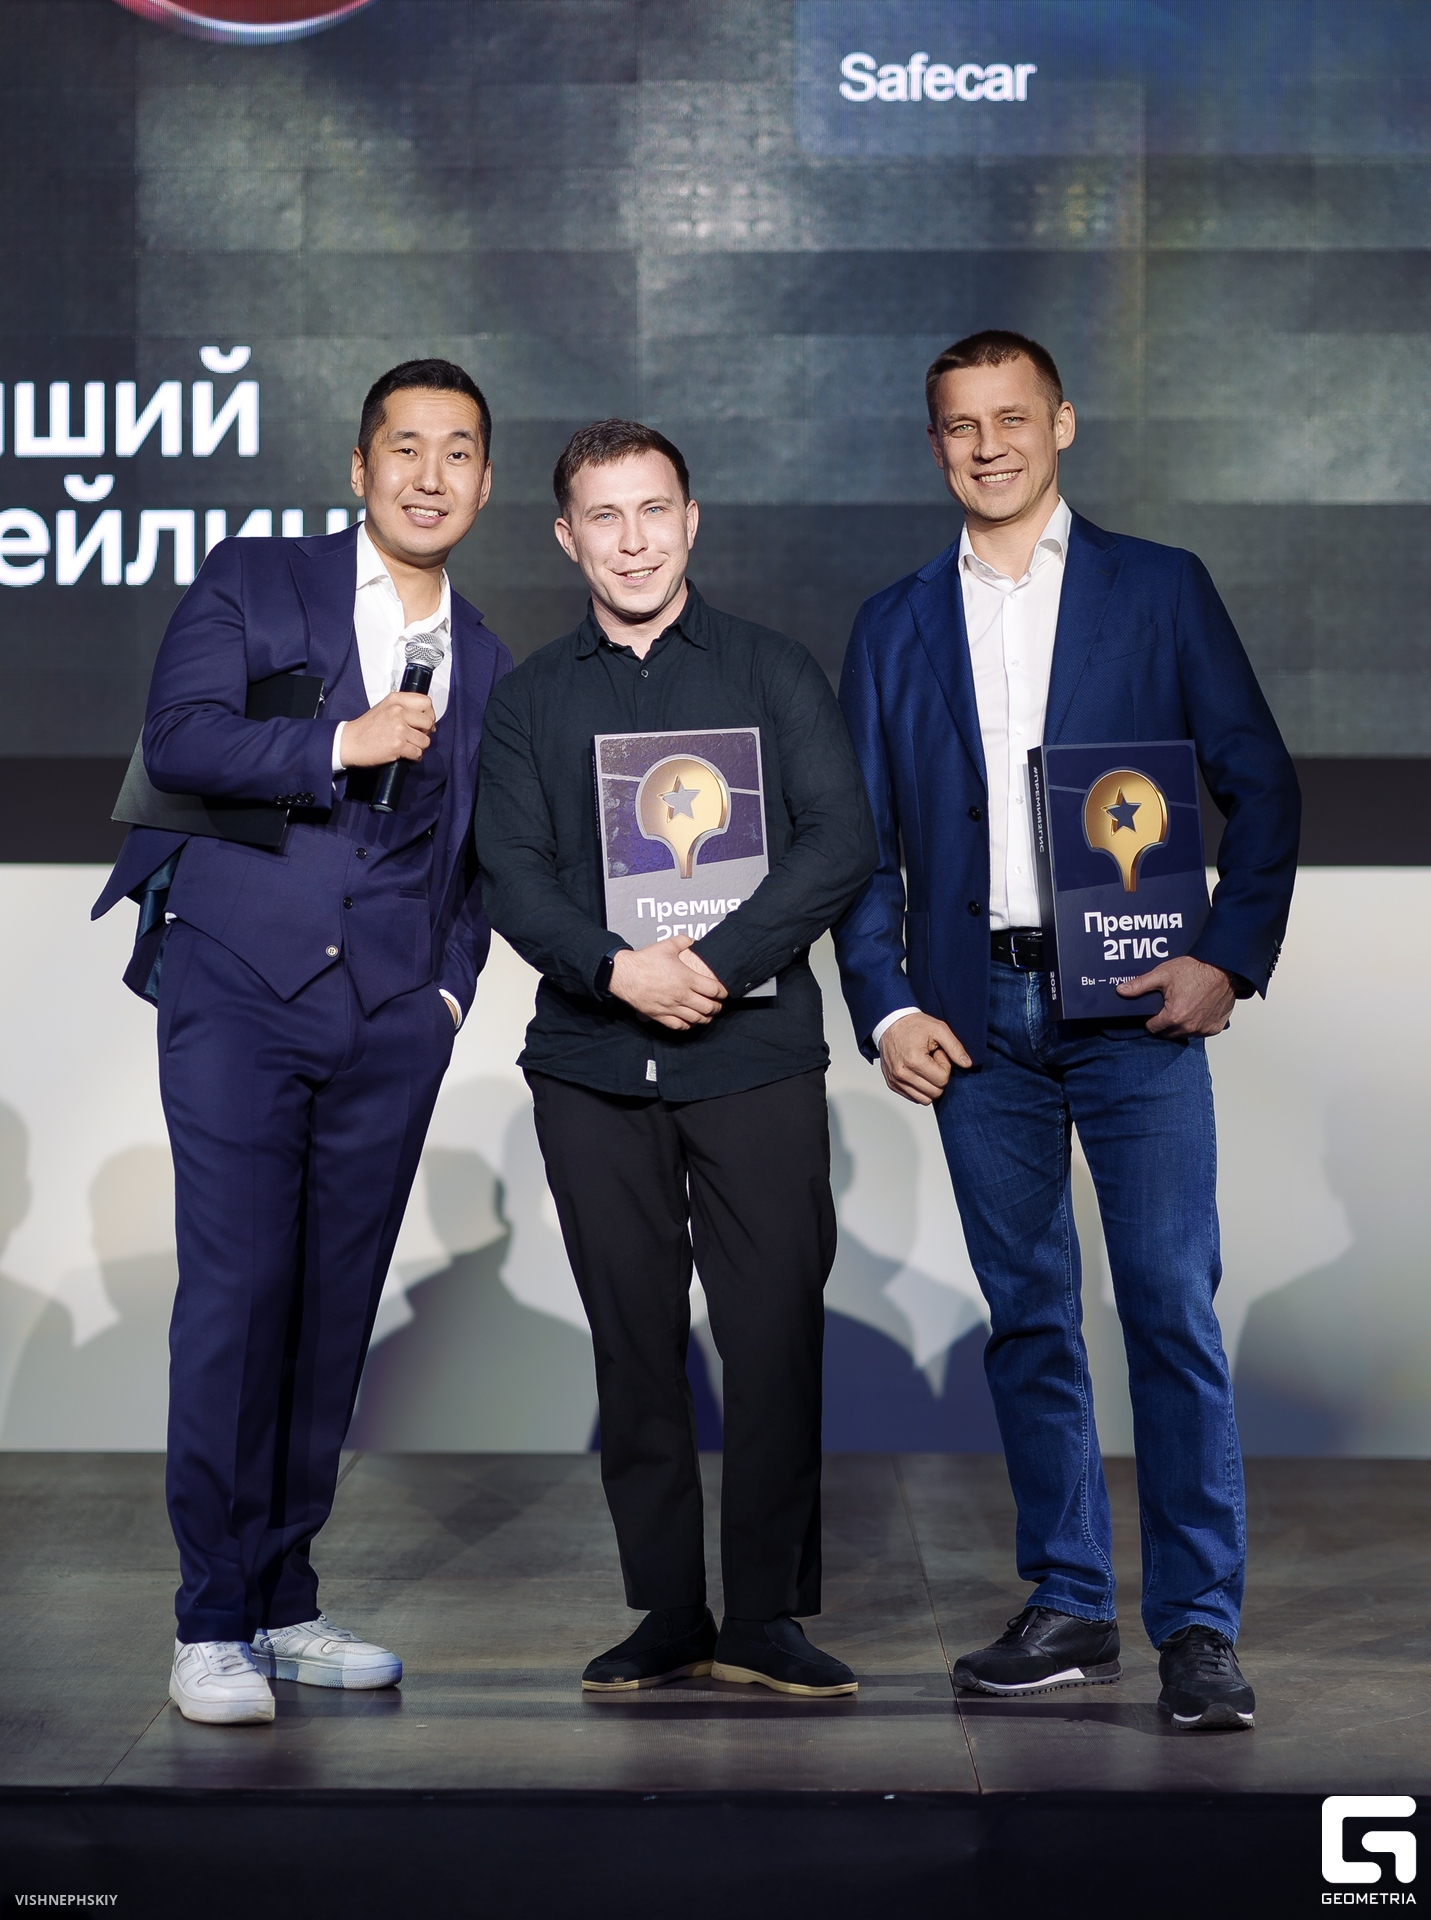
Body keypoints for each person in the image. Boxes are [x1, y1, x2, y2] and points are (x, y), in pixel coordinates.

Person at [833, 331, 1301, 1730]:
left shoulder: (1159, 588)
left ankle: (1200, 1629)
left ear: (1064, 425)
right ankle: (1071, 1603)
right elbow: (858, 850)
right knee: (1029, 1317)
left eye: (1013, 418)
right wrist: (886, 1003)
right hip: (975, 1016)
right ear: (935, 444)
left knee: (1167, 1306)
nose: (989, 446)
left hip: (1137, 1005)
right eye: (961, 425)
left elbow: (1262, 783)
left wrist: (1228, 957)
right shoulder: (891, 623)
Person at [92, 359, 510, 1725]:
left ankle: (282, 1600)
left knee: (335, 1310)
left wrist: (446, 998)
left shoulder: (488, 655)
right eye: (406, 447)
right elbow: (182, 737)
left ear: (486, 483)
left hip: (391, 1019)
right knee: (238, 1293)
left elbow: (479, 863)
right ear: (359, 467)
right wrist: (342, 740)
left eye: (458, 451)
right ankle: (210, 1621)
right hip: (238, 986)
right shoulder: (256, 577)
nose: (430, 475)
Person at [475, 419, 876, 1697]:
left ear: (691, 521)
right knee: (634, 1343)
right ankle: (666, 1607)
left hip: (755, 1057)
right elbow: (511, 873)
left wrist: (712, 961)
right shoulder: (531, 697)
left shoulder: (771, 670)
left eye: (655, 511)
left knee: (773, 1337)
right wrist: (617, 970)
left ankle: (764, 1614)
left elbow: (840, 840)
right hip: (593, 1067)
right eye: (606, 516)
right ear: (566, 537)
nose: (634, 540)